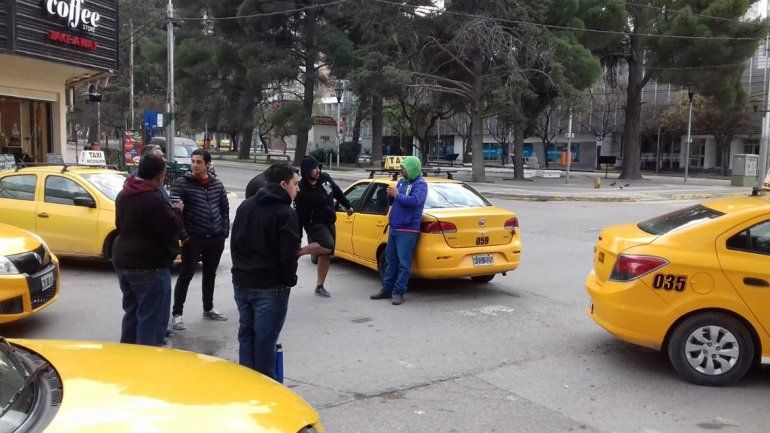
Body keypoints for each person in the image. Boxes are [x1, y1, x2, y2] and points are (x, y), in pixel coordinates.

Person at [231, 163, 321, 379]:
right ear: (283, 184)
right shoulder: (285, 213)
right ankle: (265, 394)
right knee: (265, 343)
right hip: (270, 288)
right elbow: (288, 255)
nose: (298, 189)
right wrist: (289, 281)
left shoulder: (246, 206)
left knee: (247, 336)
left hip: (242, 283)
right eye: (295, 184)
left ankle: (247, 384)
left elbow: (235, 244)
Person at [112, 153, 183, 346]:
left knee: (133, 312)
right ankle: (147, 366)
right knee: (152, 319)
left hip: (123, 261)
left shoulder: (124, 194)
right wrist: (177, 210)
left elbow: (119, 224)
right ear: (159, 177)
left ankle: (127, 360)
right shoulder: (153, 200)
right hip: (149, 266)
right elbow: (170, 227)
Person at [170, 149, 230, 330]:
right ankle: (177, 314)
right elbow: (175, 213)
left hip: (215, 237)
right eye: (193, 161)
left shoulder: (217, 185)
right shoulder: (182, 184)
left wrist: (223, 231)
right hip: (193, 237)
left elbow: (224, 210)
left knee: (210, 274)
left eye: (199, 162)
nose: (195, 165)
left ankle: (208, 308)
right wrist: (185, 236)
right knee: (186, 275)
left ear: (208, 164)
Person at [370, 156, 427, 305]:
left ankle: (399, 292)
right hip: (395, 228)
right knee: (391, 261)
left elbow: (415, 202)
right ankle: (386, 289)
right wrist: (389, 196)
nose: (402, 171)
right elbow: (395, 201)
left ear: (412, 169)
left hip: (408, 230)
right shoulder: (402, 182)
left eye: (404, 168)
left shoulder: (421, 185)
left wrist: (397, 195)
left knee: (404, 264)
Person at [294, 155, 354, 298]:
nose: (317, 170)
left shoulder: (325, 178)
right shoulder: (301, 189)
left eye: (318, 167)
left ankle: (320, 286)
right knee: (327, 244)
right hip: (314, 223)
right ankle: (297, 253)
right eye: (314, 168)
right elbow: (299, 216)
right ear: (307, 170)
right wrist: (298, 237)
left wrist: (348, 205)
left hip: (329, 220)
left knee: (326, 253)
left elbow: (338, 192)